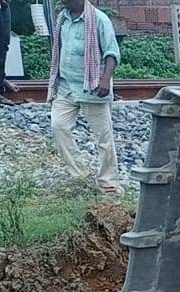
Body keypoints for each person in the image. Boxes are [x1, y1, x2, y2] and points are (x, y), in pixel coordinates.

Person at [48, 0, 121, 194]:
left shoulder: (99, 19)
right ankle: (79, 175)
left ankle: (108, 181)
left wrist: (105, 79)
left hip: (92, 87)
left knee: (103, 137)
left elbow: (112, 53)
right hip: (66, 86)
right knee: (58, 126)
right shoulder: (62, 18)